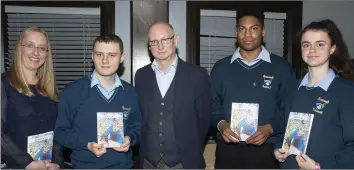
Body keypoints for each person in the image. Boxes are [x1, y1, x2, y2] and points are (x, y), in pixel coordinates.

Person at [210, 8, 296, 168]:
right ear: (236, 32)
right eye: (242, 29)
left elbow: (290, 109)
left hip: (269, 152)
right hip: (228, 152)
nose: (247, 35)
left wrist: (271, 128)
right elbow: (211, 105)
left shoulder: (282, 68)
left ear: (263, 31)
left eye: (253, 29)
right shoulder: (220, 68)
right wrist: (221, 124)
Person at [274, 19, 354, 169]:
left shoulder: (347, 92)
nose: (312, 50)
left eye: (320, 44)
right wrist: (277, 150)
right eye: (306, 45)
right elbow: (280, 132)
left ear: (332, 48)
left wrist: (319, 167)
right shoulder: (291, 89)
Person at [54, 34, 142, 169]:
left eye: (112, 55)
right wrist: (87, 145)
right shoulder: (72, 91)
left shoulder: (131, 92)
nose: (105, 61)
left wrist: (130, 138)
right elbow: (60, 131)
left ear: (121, 58)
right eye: (99, 54)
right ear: (92, 56)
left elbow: (137, 126)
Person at [134, 21, 212, 169]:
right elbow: (141, 118)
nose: (160, 46)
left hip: (184, 163)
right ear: (149, 47)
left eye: (165, 40)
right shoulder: (141, 76)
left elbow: (204, 119)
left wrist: (190, 148)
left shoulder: (197, 75)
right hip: (148, 162)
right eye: (154, 42)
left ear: (175, 40)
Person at [1, 27, 63, 169]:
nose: (36, 52)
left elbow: (56, 133)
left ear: (47, 54)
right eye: (30, 45)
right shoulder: (3, 84)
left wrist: (57, 163)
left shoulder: (49, 89)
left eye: (42, 48)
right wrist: (28, 163)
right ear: (19, 48)